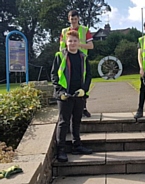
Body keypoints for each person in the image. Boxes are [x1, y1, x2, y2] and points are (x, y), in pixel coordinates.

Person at [51, 30, 92, 162]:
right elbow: (54, 76)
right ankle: (61, 150)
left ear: (79, 42)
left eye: (75, 41)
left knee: (77, 120)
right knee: (63, 122)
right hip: (64, 95)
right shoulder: (60, 56)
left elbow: (89, 76)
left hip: (78, 94)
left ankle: (77, 145)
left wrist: (84, 90)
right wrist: (60, 92)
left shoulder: (83, 57)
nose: (72, 43)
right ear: (66, 42)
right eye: (70, 41)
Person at [60, 9, 93, 117]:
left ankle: (83, 108)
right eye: (71, 19)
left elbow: (91, 46)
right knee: (68, 82)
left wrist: (77, 45)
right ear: (68, 19)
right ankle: (69, 107)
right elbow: (61, 47)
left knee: (83, 82)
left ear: (78, 18)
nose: (73, 21)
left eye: (75, 19)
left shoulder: (85, 30)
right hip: (68, 59)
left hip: (81, 59)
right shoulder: (64, 31)